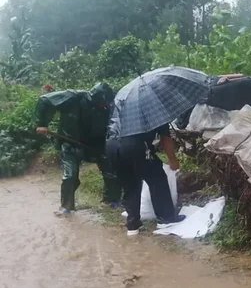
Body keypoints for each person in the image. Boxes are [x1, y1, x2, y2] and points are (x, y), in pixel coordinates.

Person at [35, 82, 122, 215]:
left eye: (106, 104)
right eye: (102, 104)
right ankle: (66, 206)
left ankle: (111, 200)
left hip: (96, 144)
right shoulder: (73, 97)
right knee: (70, 175)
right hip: (71, 143)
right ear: (94, 99)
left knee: (111, 170)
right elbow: (44, 100)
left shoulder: (109, 106)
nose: (105, 106)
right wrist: (42, 123)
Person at [106, 123, 185, 236]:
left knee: (130, 185)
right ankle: (166, 218)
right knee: (157, 178)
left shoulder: (121, 107)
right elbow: (165, 139)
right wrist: (172, 160)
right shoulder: (154, 111)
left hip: (112, 147)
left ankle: (132, 225)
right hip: (135, 146)